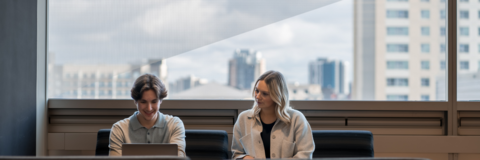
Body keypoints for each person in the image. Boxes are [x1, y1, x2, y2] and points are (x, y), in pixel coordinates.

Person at [231, 71, 315, 159]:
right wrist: (244, 158)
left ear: (277, 96)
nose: (258, 96)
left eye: (264, 94)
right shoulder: (243, 119)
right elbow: (236, 154)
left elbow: (305, 156)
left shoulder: (297, 119)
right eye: (257, 90)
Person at [109, 74, 186, 156]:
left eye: (154, 102)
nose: (149, 108)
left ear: (160, 101)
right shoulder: (119, 129)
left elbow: (179, 158)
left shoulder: (175, 125)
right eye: (143, 102)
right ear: (135, 101)